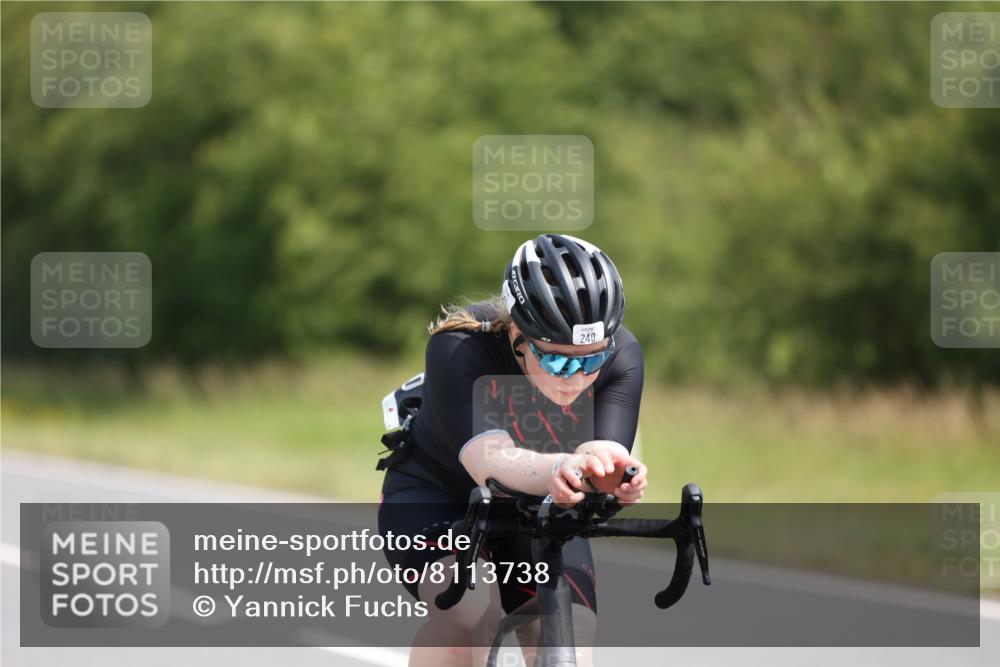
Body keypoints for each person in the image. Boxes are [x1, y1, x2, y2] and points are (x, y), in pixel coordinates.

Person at [377, 233, 647, 667]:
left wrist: (613, 474)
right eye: (558, 360)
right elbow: (491, 461)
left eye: (591, 361)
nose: (575, 378)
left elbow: (604, 449)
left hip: (541, 501)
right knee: (467, 618)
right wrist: (562, 464)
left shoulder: (623, 355)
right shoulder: (459, 348)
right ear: (519, 334)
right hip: (439, 494)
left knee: (569, 635)